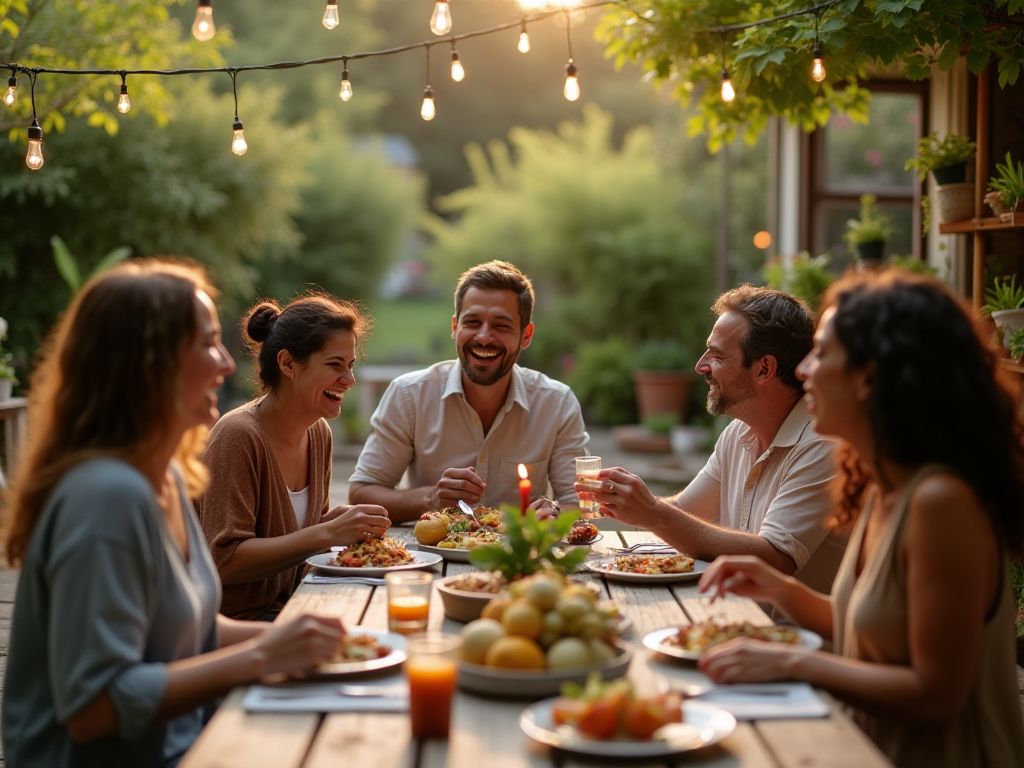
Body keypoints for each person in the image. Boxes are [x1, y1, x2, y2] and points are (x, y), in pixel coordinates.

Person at [2, 261, 346, 768]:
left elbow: (197, 629)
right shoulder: (105, 498)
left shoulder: (163, 479)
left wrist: (312, 638)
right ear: (147, 362)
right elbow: (92, 708)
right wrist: (262, 657)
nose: (228, 364)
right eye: (207, 343)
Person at [697, 271, 1024, 767]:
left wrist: (791, 661)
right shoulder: (883, 486)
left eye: (822, 353)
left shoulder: (941, 502)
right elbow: (867, 630)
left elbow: (936, 696)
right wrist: (778, 587)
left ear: (871, 376)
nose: (803, 369)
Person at [581, 285, 847, 594]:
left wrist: (652, 511)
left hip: (797, 637)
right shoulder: (738, 432)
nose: (700, 366)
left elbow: (776, 557)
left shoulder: (822, 442)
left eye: (717, 355)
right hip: (737, 622)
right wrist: (613, 502)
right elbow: (686, 511)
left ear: (764, 369)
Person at [196, 295, 391, 620]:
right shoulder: (239, 435)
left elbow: (300, 545)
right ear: (288, 364)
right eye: (334, 365)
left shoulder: (318, 434)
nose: (350, 380)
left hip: (297, 608)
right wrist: (326, 533)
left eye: (351, 365)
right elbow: (224, 560)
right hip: (238, 628)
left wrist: (333, 523)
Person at [348, 260, 589, 523]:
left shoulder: (557, 402)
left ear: (526, 335)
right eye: (472, 322)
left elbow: (578, 503)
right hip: (434, 560)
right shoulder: (409, 395)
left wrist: (553, 514)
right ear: (455, 327)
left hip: (521, 557)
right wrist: (430, 500)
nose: (484, 337)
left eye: (501, 325)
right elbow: (362, 492)